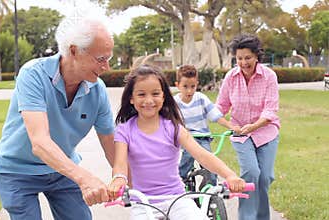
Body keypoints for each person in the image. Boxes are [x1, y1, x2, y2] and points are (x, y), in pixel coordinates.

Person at [0, 4, 115, 220]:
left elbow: (110, 142)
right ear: (74, 50)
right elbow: (39, 143)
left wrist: (124, 177)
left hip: (61, 169)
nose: (107, 67)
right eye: (101, 59)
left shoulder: (97, 89)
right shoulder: (33, 74)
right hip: (17, 170)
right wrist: (85, 178)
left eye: (108, 59)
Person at [108, 64, 246, 220]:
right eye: (141, 94)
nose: (149, 100)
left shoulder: (173, 128)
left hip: (176, 198)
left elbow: (202, 155)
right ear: (131, 98)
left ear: (163, 96)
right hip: (143, 202)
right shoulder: (124, 130)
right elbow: (120, 164)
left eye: (155, 94)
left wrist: (230, 175)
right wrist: (118, 179)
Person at [216, 34, 280, 220]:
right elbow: (220, 107)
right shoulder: (231, 77)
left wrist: (254, 126)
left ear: (257, 57)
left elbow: (270, 110)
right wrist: (229, 124)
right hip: (241, 134)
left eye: (248, 58)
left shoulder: (269, 76)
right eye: (239, 58)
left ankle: (262, 217)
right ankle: (246, 217)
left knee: (265, 177)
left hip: (266, 132)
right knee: (251, 172)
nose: (243, 62)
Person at [174, 65, 238, 186]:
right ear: (177, 85)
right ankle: (179, 181)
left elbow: (216, 116)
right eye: (185, 86)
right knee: (187, 156)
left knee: (210, 161)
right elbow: (171, 122)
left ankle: (210, 185)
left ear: (197, 84)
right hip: (185, 139)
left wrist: (231, 126)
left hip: (202, 138)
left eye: (193, 86)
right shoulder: (174, 103)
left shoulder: (201, 99)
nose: (189, 91)